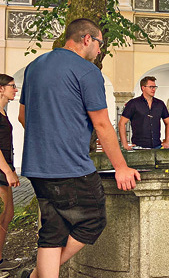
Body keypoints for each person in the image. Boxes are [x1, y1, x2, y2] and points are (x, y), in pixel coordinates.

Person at [18, 18, 141, 278]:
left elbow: (23, 117)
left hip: (37, 167)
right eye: (99, 44)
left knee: (52, 231)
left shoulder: (34, 67)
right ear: (87, 39)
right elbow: (102, 125)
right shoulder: (87, 72)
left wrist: (49, 138)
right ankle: (36, 275)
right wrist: (121, 167)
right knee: (93, 220)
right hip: (70, 167)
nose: (99, 51)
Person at [0, 74, 21, 276]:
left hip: (5, 169)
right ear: (0, 89)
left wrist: (12, 169)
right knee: (1, 216)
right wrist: (7, 171)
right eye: (12, 86)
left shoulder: (3, 112)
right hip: (0, 171)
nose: (15, 90)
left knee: (8, 215)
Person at [118, 76, 169, 150]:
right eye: (151, 87)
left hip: (157, 146)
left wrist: (167, 141)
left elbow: (168, 122)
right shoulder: (133, 103)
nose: (153, 89)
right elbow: (121, 123)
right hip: (138, 147)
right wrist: (124, 144)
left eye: (155, 87)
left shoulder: (160, 104)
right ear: (143, 88)